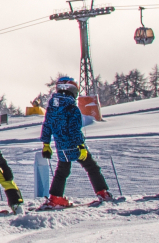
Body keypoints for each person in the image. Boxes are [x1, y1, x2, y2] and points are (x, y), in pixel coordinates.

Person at [41, 75, 112, 206]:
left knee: (62, 171)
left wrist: (46, 144)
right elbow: (74, 130)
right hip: (74, 146)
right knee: (92, 167)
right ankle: (102, 192)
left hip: (61, 147)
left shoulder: (52, 108)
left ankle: (55, 198)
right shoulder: (72, 108)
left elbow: (47, 125)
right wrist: (81, 147)